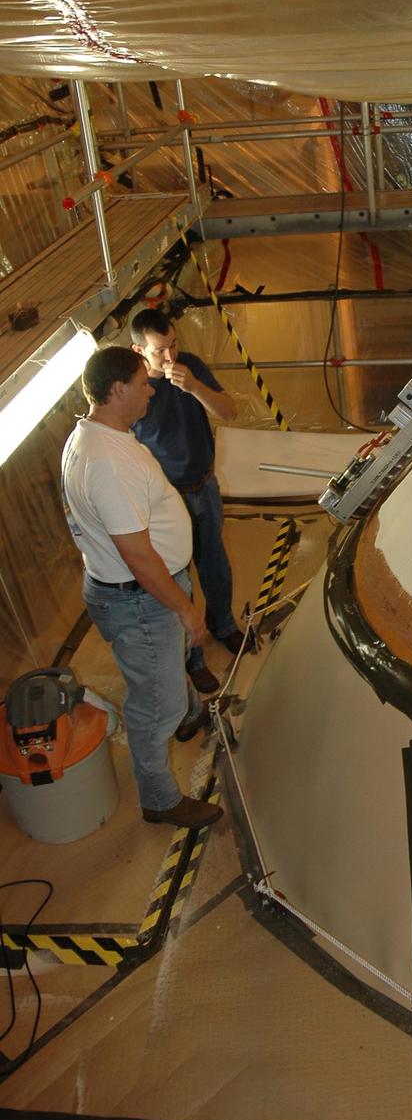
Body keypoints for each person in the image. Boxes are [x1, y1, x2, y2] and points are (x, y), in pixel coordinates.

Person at [61, 346, 223, 829]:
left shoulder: (98, 436)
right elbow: (136, 555)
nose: (150, 388)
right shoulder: (107, 462)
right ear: (117, 391)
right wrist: (186, 609)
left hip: (137, 590)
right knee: (155, 706)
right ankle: (160, 800)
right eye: (142, 381)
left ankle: (191, 714)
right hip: (140, 597)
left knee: (166, 674)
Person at [129, 308, 242, 695]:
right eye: (161, 351)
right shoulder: (134, 388)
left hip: (204, 485)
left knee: (216, 563)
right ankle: (194, 660)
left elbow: (229, 411)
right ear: (139, 350)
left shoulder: (189, 368)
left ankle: (223, 624)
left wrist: (194, 386)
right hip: (166, 501)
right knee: (179, 579)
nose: (171, 357)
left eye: (174, 345)